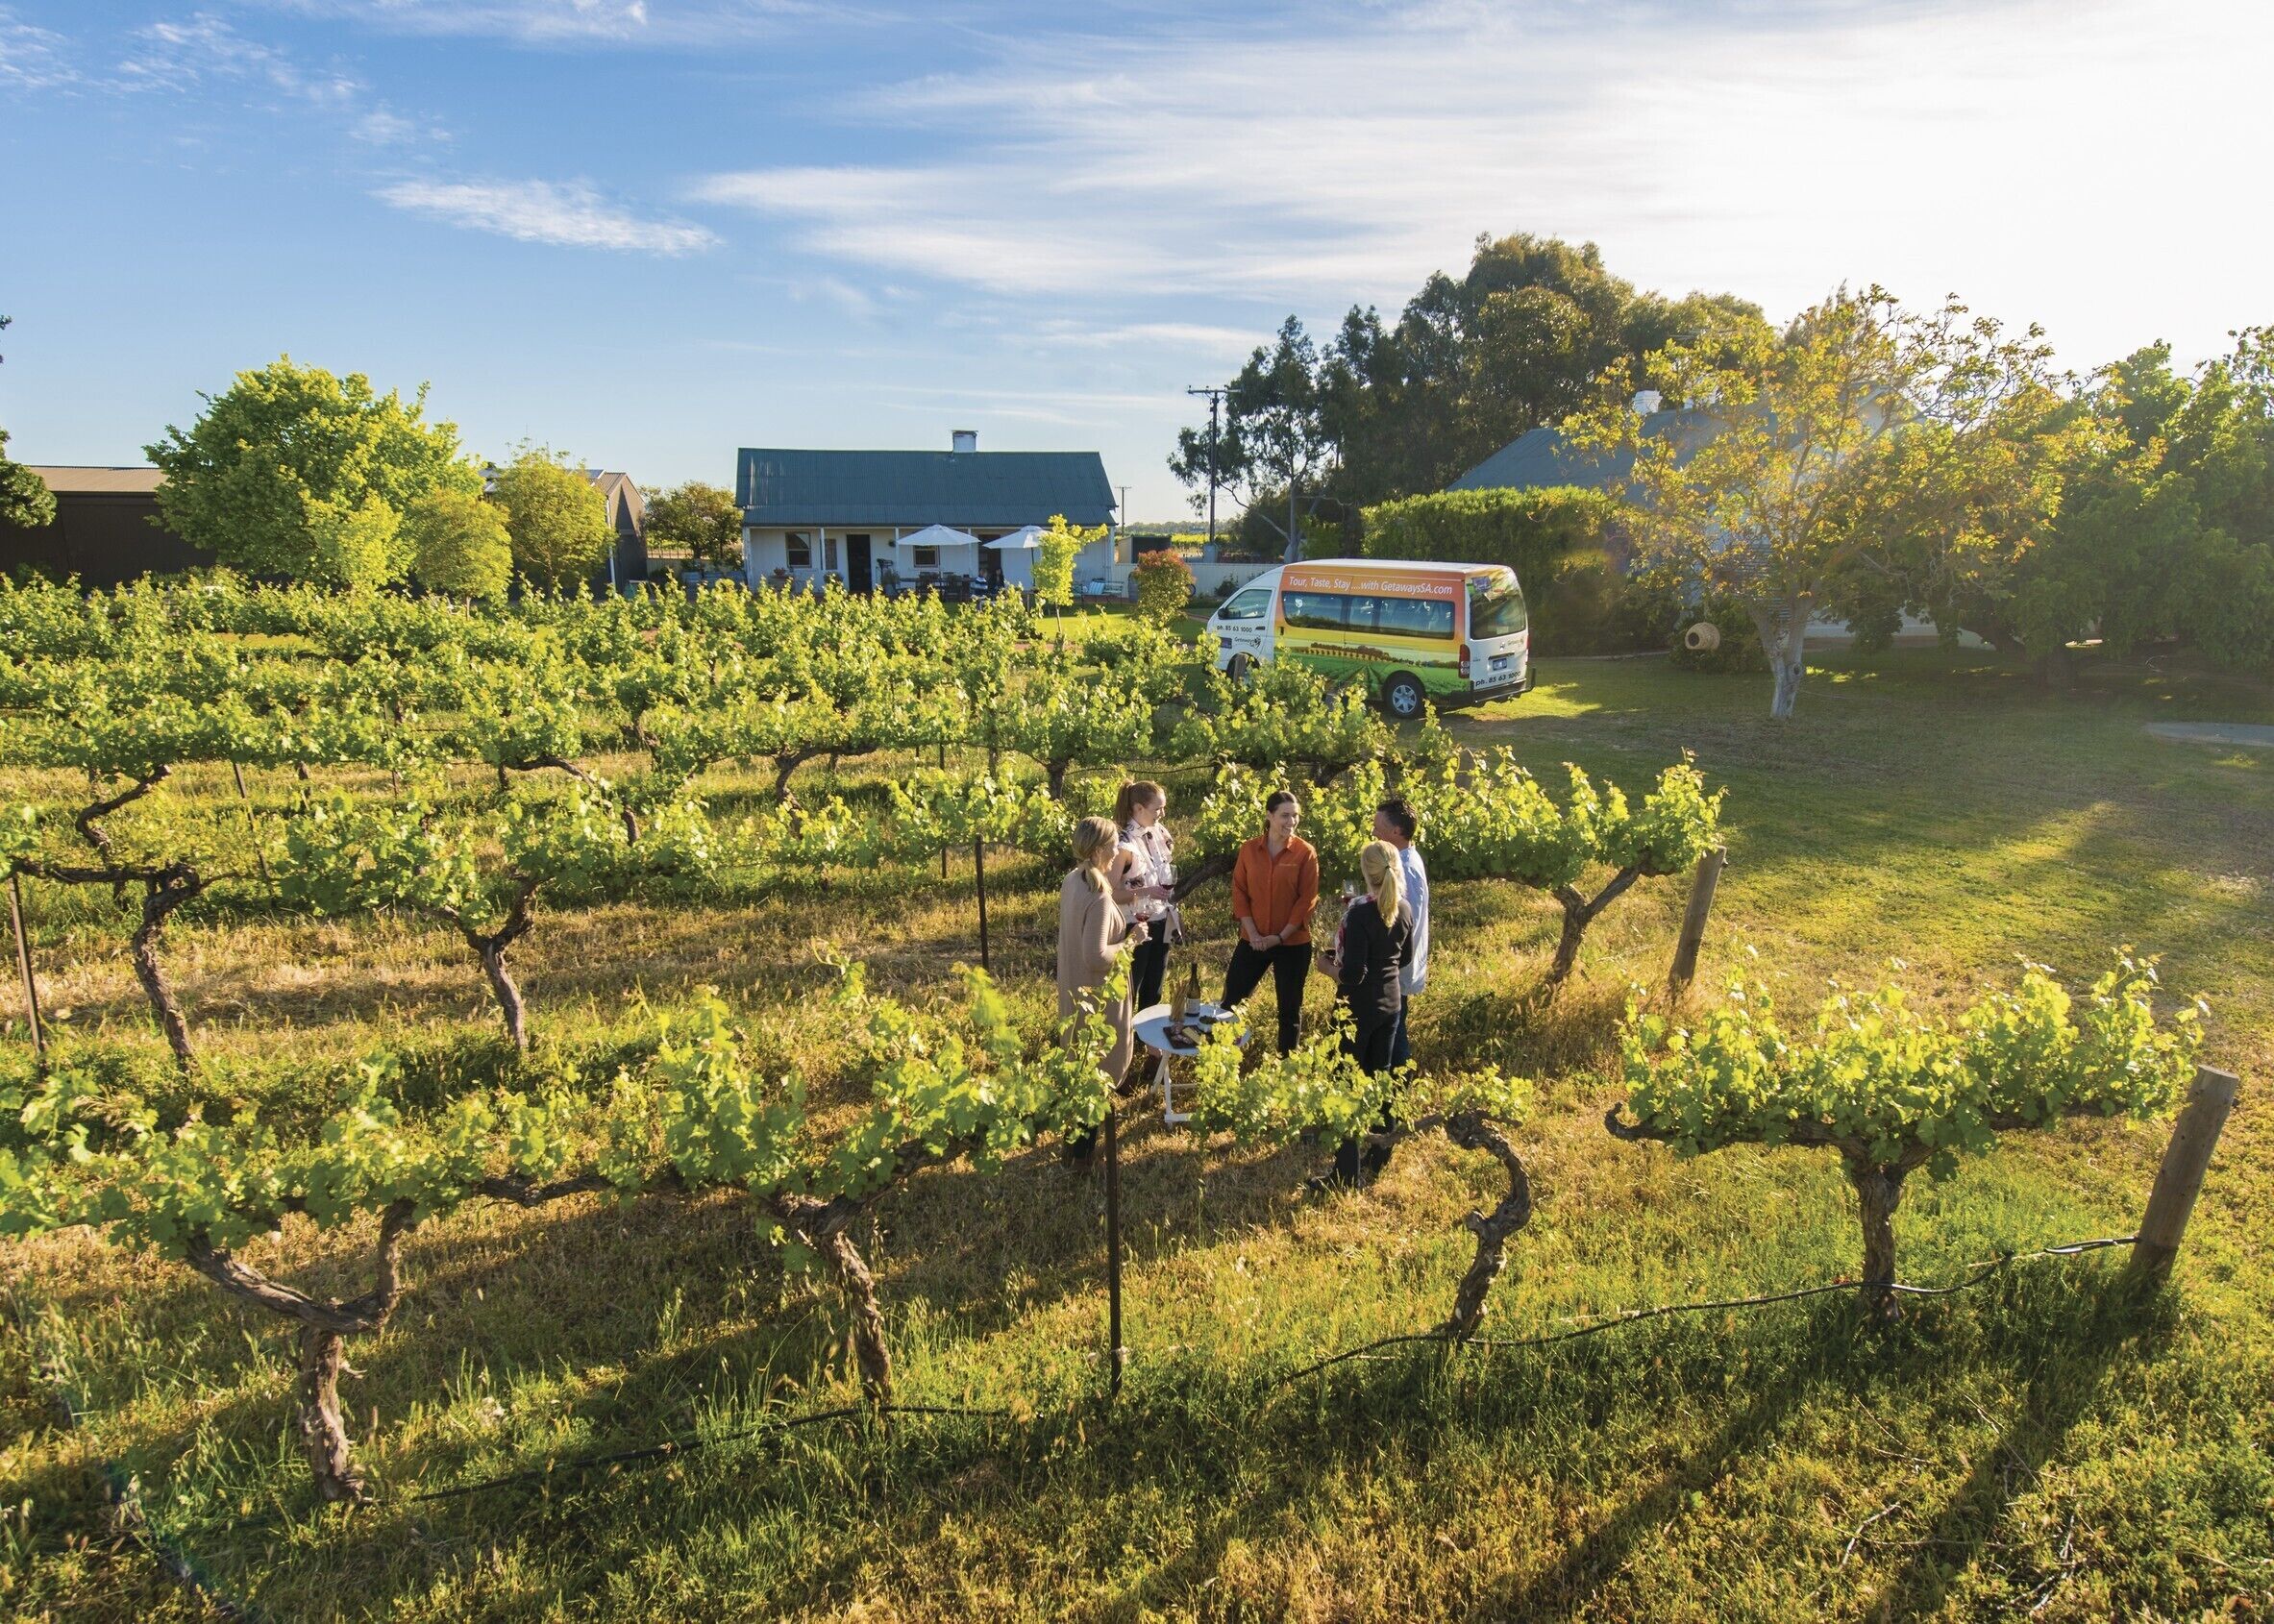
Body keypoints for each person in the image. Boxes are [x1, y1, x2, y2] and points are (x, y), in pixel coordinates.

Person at [1320, 839, 1414, 1189]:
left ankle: (1345, 1172)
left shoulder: (1358, 914)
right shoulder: (1404, 908)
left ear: (1366, 872)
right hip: (1390, 1004)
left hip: (1356, 1010)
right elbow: (1403, 959)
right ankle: (1379, 1154)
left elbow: (1353, 975)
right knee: (1380, 1079)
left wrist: (1327, 968)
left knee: (1344, 1083)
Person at [1057, 815, 1147, 1164]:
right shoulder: (1099, 897)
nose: (1117, 851)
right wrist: (1132, 941)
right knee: (1097, 1074)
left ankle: (1073, 1151)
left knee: (1081, 1069)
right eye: (1113, 845)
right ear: (1097, 851)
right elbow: (1096, 957)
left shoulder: (1072, 880)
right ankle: (1081, 1159)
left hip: (1075, 991)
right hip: (1097, 998)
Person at [1221, 789, 1319, 1054]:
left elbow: (1307, 900)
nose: (1291, 821)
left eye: (1295, 816)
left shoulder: (1305, 853)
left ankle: (1286, 1064)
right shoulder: (1249, 849)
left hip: (1292, 943)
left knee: (1289, 1009)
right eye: (1285, 815)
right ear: (1269, 815)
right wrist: (1252, 933)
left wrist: (1281, 936)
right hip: (1253, 940)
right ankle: (1224, 1055)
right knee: (1231, 1002)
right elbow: (1239, 891)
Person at [1109, 779, 1176, 1012]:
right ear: (1138, 808)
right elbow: (1108, 894)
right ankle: (1125, 1033)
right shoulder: (1123, 844)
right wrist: (1146, 892)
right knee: (1129, 990)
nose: (1162, 813)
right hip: (1134, 926)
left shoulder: (1157, 833)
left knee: (1154, 990)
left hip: (1161, 919)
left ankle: (1147, 1034)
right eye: (1158, 809)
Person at [1373, 797, 1428, 1070]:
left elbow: (1403, 924)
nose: (1373, 831)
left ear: (1396, 831)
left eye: (1378, 826)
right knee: (1392, 1026)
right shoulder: (1404, 860)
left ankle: (1400, 1082)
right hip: (1397, 964)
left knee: (1394, 1029)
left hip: (1395, 966)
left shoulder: (1404, 870)